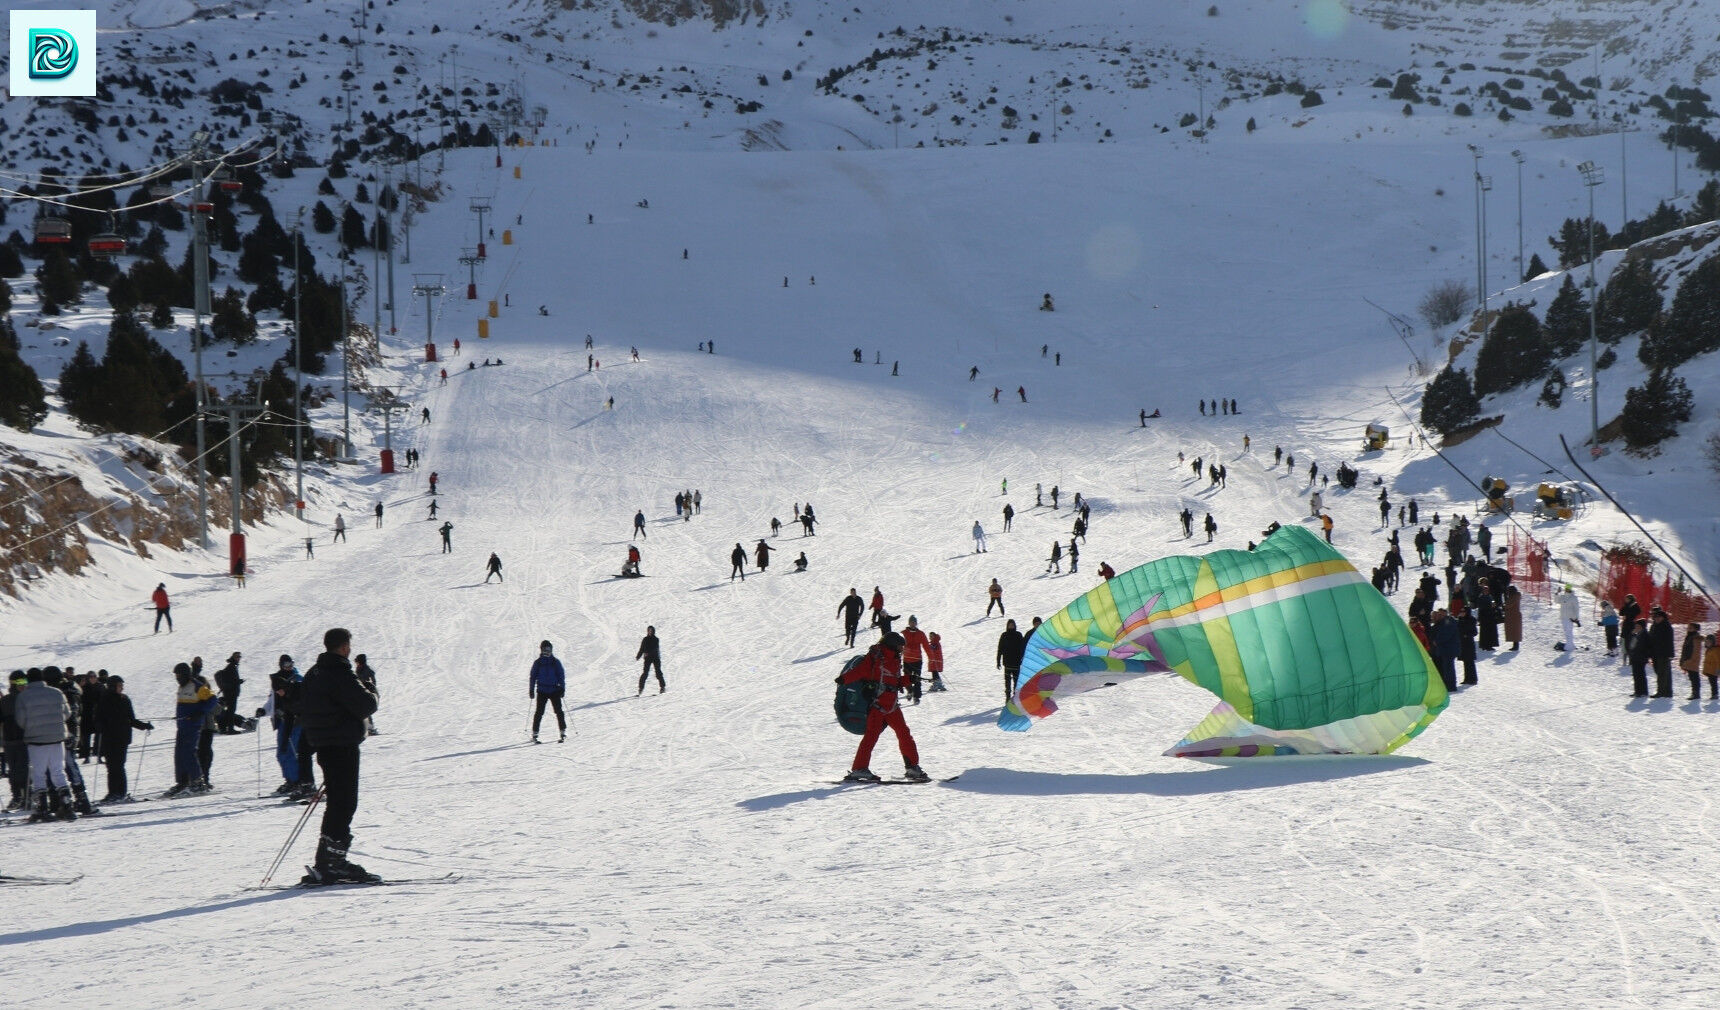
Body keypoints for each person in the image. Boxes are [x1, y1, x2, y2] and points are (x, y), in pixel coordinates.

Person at [298, 628, 381, 884]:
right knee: (344, 802)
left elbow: (300, 704)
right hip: (341, 742)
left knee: (337, 801)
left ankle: (328, 860)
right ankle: (334, 863)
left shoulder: (314, 673)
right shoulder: (339, 672)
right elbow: (365, 705)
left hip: (323, 743)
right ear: (344, 647)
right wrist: (372, 690)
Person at [840, 633, 928, 783]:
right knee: (871, 736)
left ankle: (912, 767)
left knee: (904, 733)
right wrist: (844, 679)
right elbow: (861, 671)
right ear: (892, 644)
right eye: (900, 646)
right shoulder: (876, 657)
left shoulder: (894, 659)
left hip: (892, 705)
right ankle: (859, 769)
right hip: (877, 705)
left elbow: (895, 682)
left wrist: (909, 679)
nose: (902, 649)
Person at [16, 671, 76, 821]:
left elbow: (21, 720)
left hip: (36, 740)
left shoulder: (23, 696)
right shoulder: (57, 692)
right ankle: (67, 805)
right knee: (58, 771)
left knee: (39, 773)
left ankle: (42, 808)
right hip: (57, 738)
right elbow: (67, 713)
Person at [94, 677, 152, 802]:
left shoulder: (124, 699)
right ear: (112, 686)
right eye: (120, 685)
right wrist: (99, 726)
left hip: (122, 738)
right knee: (111, 766)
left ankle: (120, 792)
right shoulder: (104, 700)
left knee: (119, 765)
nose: (122, 688)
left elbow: (131, 719)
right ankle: (113, 793)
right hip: (109, 738)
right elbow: (98, 718)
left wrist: (144, 726)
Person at [166, 662, 215, 796]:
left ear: (186, 674)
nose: (177, 678)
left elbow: (212, 700)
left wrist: (200, 712)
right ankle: (182, 782)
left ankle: (197, 782)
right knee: (179, 754)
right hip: (182, 726)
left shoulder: (197, 686)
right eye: (176, 675)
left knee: (188, 752)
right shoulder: (182, 687)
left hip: (193, 726)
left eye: (179, 675)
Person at [527, 641, 568, 743]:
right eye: (545, 650)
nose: (547, 652)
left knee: (558, 711)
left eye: (548, 649)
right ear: (541, 650)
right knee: (539, 712)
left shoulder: (555, 662)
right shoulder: (538, 663)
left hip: (554, 690)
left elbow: (561, 676)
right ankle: (535, 733)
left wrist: (562, 688)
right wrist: (531, 690)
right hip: (542, 691)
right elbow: (533, 677)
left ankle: (563, 731)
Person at [996, 619, 1027, 705]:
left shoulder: (1018, 635)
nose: (1011, 626)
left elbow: (1023, 648)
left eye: (1012, 625)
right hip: (1007, 662)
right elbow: (1000, 648)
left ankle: (1016, 697)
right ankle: (1008, 697)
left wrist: (1023, 659)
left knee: (1016, 681)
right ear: (1007, 626)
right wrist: (998, 660)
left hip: (1016, 662)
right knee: (1007, 681)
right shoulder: (1004, 635)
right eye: (1010, 625)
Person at [901, 617, 930, 704]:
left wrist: (931, 657)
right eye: (911, 622)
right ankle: (910, 691)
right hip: (907, 660)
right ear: (909, 623)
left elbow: (926, 646)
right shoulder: (904, 633)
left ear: (916, 623)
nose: (913, 624)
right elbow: (898, 645)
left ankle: (916, 697)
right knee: (907, 678)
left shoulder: (920, 634)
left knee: (917, 678)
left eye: (914, 622)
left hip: (917, 660)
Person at [1649, 608, 1676, 697]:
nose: (1657, 618)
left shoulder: (1666, 626)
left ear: (1663, 617)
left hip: (1663, 653)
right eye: (1655, 617)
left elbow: (1669, 642)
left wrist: (1670, 654)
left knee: (1663, 673)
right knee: (1660, 672)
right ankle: (1666, 691)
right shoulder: (1654, 626)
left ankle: (1662, 691)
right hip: (1655, 653)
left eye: (1659, 617)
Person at [214, 652, 243, 733]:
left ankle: (225, 728)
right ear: (233, 657)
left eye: (239, 657)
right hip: (231, 693)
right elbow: (231, 681)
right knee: (231, 711)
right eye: (237, 657)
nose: (239, 658)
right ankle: (230, 729)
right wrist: (238, 682)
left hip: (229, 693)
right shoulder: (231, 667)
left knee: (230, 711)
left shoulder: (232, 666)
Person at [1627, 619, 1652, 697]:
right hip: (1636, 657)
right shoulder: (1637, 634)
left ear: (1642, 627)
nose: (1636, 627)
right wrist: (1632, 634)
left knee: (1640, 675)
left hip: (1640, 657)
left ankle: (1642, 691)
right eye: (1636, 626)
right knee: (1636, 674)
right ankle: (1638, 691)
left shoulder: (1644, 634)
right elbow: (1631, 644)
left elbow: (1646, 646)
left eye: (1638, 626)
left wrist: (1645, 655)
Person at [1681, 623, 1705, 699]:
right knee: (1692, 677)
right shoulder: (1689, 636)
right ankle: (1694, 693)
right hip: (1688, 660)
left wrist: (1690, 660)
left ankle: (1696, 693)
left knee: (1694, 677)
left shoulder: (1696, 638)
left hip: (1692, 661)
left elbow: (1696, 651)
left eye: (1691, 628)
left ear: (1695, 629)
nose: (1688, 629)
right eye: (1688, 627)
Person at [1554, 584, 1580, 653]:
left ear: (1570, 589)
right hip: (1563, 617)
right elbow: (1556, 601)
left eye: (1568, 589)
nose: (1566, 590)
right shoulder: (1563, 597)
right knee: (1567, 632)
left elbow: (1576, 609)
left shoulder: (1573, 598)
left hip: (1570, 618)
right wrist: (1557, 593)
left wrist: (1575, 618)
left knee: (1569, 632)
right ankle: (1570, 645)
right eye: (1566, 588)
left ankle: (1569, 646)